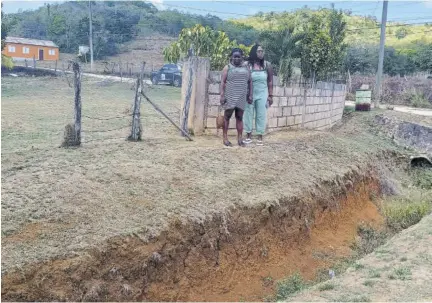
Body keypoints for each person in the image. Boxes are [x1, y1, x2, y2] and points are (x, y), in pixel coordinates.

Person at [220, 48, 253, 147]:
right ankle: (225, 138)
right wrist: (222, 95)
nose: (237, 58)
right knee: (227, 117)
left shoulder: (246, 68)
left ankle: (240, 139)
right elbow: (223, 82)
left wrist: (250, 95)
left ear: (242, 57)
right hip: (230, 96)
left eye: (239, 56)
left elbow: (250, 82)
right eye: (235, 56)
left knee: (239, 118)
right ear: (232, 57)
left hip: (241, 97)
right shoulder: (227, 67)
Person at [244, 44, 274, 146]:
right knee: (248, 114)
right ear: (254, 52)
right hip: (249, 94)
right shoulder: (247, 65)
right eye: (259, 51)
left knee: (261, 114)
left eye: (262, 51)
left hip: (262, 94)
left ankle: (260, 137)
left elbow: (270, 81)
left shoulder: (267, 65)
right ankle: (248, 136)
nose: (261, 53)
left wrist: (270, 96)